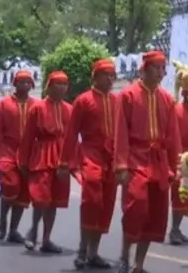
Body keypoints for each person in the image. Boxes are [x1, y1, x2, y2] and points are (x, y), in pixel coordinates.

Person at [114, 50, 181, 273]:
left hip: (159, 162)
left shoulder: (167, 99)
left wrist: (177, 166)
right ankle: (124, 254)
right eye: (157, 68)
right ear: (145, 69)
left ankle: (139, 264)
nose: (161, 72)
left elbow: (173, 136)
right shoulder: (128, 95)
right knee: (135, 209)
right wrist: (121, 165)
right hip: (135, 159)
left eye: (163, 68)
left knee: (155, 213)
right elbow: (121, 133)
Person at [63, 58, 119, 270]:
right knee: (91, 201)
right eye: (107, 74)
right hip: (90, 154)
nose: (111, 79)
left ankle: (94, 252)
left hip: (111, 157)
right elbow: (71, 134)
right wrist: (65, 162)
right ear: (95, 76)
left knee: (106, 204)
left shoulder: (117, 101)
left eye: (113, 75)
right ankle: (82, 248)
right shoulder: (83, 100)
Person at [20, 71, 72, 253]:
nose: (63, 87)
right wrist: (23, 161)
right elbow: (28, 137)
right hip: (42, 154)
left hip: (61, 157)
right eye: (58, 84)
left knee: (55, 200)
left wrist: (73, 162)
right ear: (49, 87)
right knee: (41, 197)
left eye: (65, 84)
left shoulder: (69, 109)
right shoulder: (37, 108)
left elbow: (72, 138)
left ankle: (46, 239)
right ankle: (33, 230)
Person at [0, 70, 39, 243]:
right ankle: (2, 218)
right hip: (8, 150)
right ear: (15, 84)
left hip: (29, 153)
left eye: (28, 82)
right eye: (21, 82)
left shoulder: (36, 105)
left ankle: (13, 230)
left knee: (24, 193)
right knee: (10, 185)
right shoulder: (4, 104)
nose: (25, 85)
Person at [168, 89, 188, 246]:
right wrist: (177, 163)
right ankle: (173, 229)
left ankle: (177, 228)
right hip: (181, 159)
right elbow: (174, 138)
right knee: (179, 195)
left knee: (187, 196)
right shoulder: (178, 111)